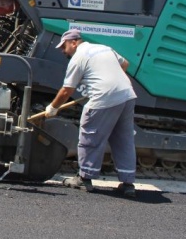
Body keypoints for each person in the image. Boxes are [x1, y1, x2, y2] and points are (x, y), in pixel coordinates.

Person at [45, 28, 137, 198]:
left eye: (64, 47)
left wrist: (52, 108)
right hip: (127, 95)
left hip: (104, 98)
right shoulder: (104, 48)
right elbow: (125, 65)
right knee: (123, 140)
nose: (64, 52)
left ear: (74, 42)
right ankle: (128, 183)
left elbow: (67, 90)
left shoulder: (78, 57)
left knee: (90, 135)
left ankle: (84, 177)